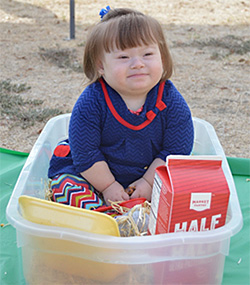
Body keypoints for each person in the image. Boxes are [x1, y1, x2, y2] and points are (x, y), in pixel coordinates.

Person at [48, 6, 194, 209]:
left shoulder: (171, 101)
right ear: (101, 66)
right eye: (124, 57)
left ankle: (142, 216)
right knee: (65, 186)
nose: (137, 64)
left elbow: (175, 150)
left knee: (190, 187)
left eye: (148, 54)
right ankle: (106, 216)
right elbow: (86, 152)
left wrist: (149, 183)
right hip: (95, 178)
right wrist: (108, 186)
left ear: (162, 57)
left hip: (152, 176)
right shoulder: (92, 101)